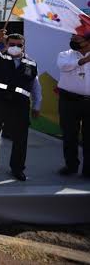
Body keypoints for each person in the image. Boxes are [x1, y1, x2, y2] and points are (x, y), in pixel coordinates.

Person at [0, 29, 41, 181]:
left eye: (19, 45)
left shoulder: (31, 63)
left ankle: (17, 168)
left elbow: (35, 86)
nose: (15, 46)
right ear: (7, 44)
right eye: (12, 44)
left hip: (20, 105)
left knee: (21, 138)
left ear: (24, 47)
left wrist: (37, 105)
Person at [56, 33, 90, 177]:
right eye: (72, 39)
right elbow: (64, 67)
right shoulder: (65, 54)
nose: (73, 41)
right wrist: (84, 60)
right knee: (70, 135)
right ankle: (71, 166)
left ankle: (88, 169)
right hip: (68, 101)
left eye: (77, 39)